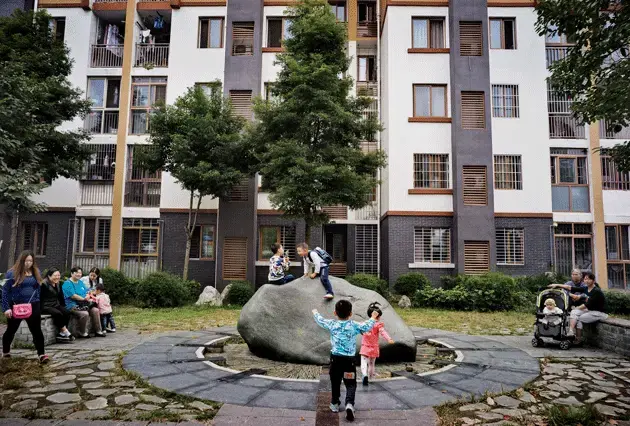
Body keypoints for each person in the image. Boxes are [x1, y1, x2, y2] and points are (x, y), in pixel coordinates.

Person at [313, 300, 379, 421]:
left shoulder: (332, 324)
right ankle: (349, 404)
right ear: (351, 314)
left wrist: (315, 312)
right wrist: (373, 317)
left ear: (334, 313)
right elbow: (366, 326)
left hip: (335, 360)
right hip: (349, 361)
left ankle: (334, 404)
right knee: (350, 383)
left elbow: (320, 320)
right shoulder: (354, 325)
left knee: (335, 382)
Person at [1, 251, 50, 363]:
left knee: (37, 330)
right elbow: (5, 291)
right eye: (27, 260)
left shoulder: (36, 271)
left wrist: (37, 300)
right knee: (11, 330)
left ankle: (41, 354)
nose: (29, 263)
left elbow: (38, 287)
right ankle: (6, 352)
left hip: (33, 305)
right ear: (21, 260)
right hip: (16, 305)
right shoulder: (11, 273)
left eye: (31, 261)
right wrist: (6, 308)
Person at [549, 272, 607, 344]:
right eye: (585, 279)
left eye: (589, 279)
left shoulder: (596, 291)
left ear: (593, 281)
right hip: (590, 310)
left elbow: (586, 305)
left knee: (578, 317)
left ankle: (578, 339)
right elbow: (570, 287)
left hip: (599, 313)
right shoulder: (586, 288)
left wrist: (575, 308)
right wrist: (557, 285)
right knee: (574, 313)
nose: (586, 281)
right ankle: (571, 332)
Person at [62, 266, 105, 338]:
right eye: (77, 273)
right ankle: (82, 332)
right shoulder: (67, 283)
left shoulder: (80, 282)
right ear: (72, 273)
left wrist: (88, 296)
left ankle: (98, 331)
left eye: (80, 273)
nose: (79, 274)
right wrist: (84, 299)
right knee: (84, 314)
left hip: (83, 304)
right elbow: (73, 296)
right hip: (72, 305)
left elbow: (86, 292)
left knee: (96, 310)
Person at [359, 302, 394, 386]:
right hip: (374, 348)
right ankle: (371, 378)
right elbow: (383, 332)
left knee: (364, 362)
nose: (379, 317)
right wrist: (389, 339)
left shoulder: (365, 323)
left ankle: (364, 375)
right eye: (379, 316)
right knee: (371, 364)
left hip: (365, 347)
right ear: (377, 316)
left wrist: (363, 333)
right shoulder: (378, 325)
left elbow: (360, 329)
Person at [40, 268, 73, 342]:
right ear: (49, 276)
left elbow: (61, 296)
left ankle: (61, 334)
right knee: (58, 313)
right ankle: (66, 331)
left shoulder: (58, 283)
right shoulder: (43, 284)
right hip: (45, 306)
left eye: (58, 275)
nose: (57, 277)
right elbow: (40, 298)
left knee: (67, 312)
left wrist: (63, 306)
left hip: (55, 304)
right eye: (55, 275)